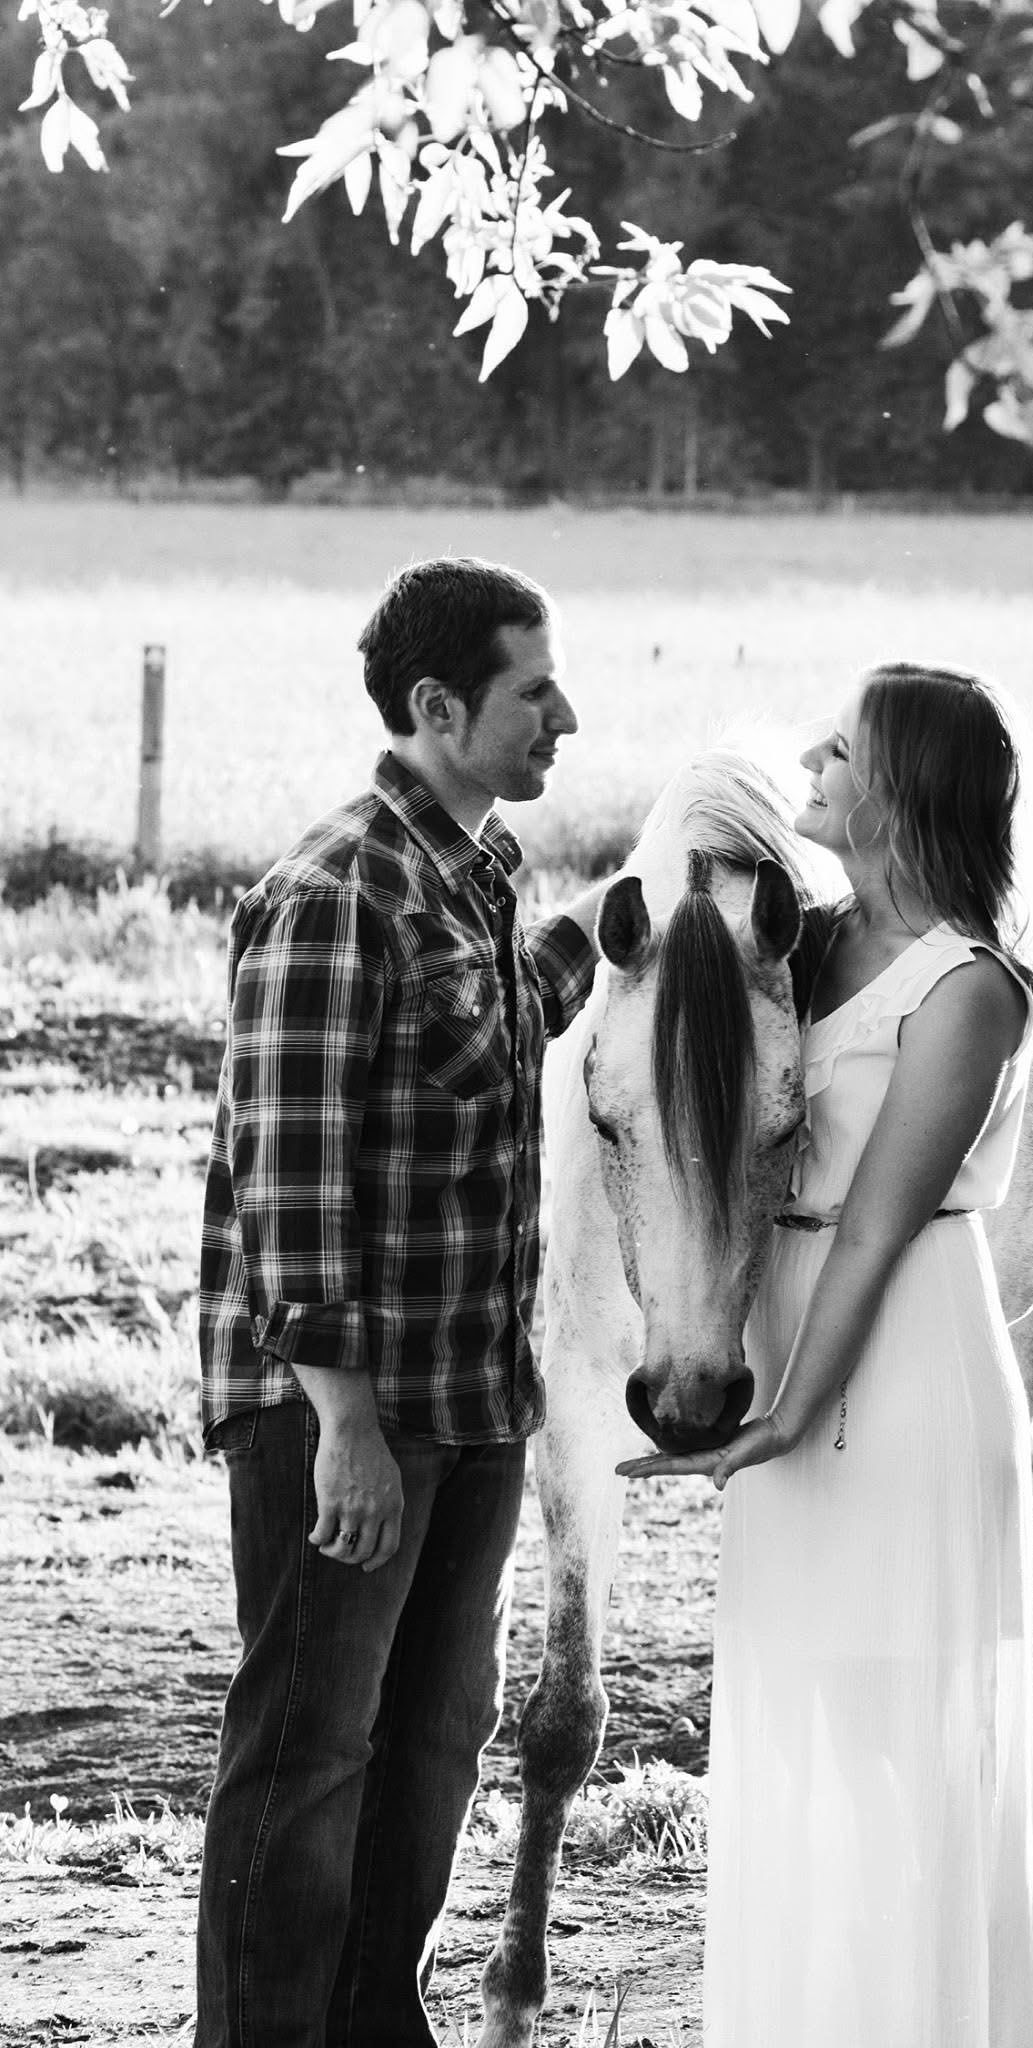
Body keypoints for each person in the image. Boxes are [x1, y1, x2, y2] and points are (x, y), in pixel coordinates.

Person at [195, 556, 608, 2048]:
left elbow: (497, 1027)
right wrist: (343, 1428)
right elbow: (289, 1182)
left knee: (433, 1743)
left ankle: (376, 2025)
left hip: (473, 1398)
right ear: (440, 707)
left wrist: (627, 916)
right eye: (533, 690)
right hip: (351, 1413)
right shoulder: (334, 893)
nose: (567, 714)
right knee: (311, 1752)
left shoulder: (476, 879)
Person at [619, 663, 1033, 2046]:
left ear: (906, 795)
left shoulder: (969, 989)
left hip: (901, 1361)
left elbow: (874, 1228)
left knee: (896, 1746)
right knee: (793, 1733)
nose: (811, 754)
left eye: (846, 748)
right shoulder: (798, 944)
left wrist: (793, 1412)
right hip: (793, 1344)